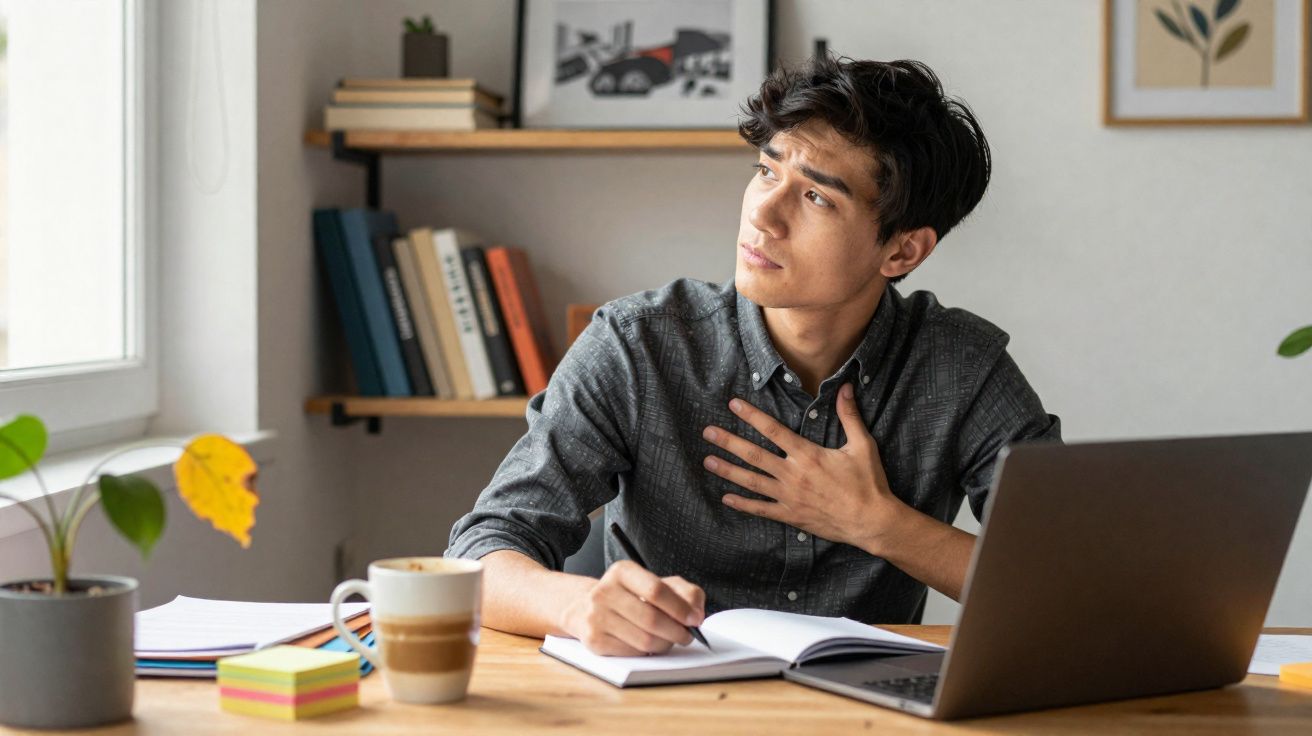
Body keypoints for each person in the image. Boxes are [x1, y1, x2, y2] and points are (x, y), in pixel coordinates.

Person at [446, 54, 1061, 657]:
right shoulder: (639, 345)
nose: (762, 213)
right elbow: (481, 552)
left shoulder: (962, 368)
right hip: (661, 707)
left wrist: (878, 524)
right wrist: (578, 607)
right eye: (767, 172)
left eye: (818, 198)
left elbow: (1068, 584)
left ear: (901, 253)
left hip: (865, 714)